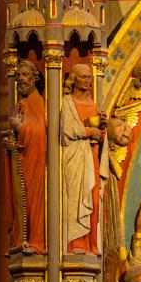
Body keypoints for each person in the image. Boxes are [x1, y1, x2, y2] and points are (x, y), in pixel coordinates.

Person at [61, 62, 109, 254]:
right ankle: (76, 243)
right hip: (75, 157)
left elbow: (100, 136)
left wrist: (102, 129)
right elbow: (65, 130)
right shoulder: (66, 103)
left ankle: (91, 243)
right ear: (73, 79)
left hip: (92, 157)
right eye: (83, 77)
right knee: (76, 199)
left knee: (94, 201)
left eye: (89, 77)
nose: (88, 81)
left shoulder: (93, 104)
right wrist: (89, 131)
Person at [5, 59, 46, 253]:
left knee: (34, 201)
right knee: (20, 200)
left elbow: (41, 133)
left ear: (35, 78)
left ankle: (37, 241)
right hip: (21, 158)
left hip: (36, 159)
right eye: (18, 75)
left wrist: (20, 127)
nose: (21, 79)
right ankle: (20, 239)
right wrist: (9, 143)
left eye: (25, 75)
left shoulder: (38, 102)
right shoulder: (21, 103)